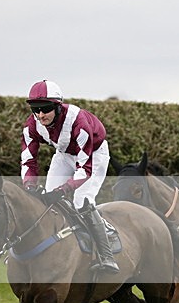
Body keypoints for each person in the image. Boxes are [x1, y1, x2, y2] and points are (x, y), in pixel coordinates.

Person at [22, 79, 119, 273]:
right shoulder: (31, 125)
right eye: (35, 109)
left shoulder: (78, 122)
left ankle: (106, 255)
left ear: (58, 107)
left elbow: (85, 167)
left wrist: (64, 189)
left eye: (46, 108)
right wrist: (29, 187)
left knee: (81, 200)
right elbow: (28, 161)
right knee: (46, 201)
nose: (40, 115)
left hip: (93, 155)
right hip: (64, 154)